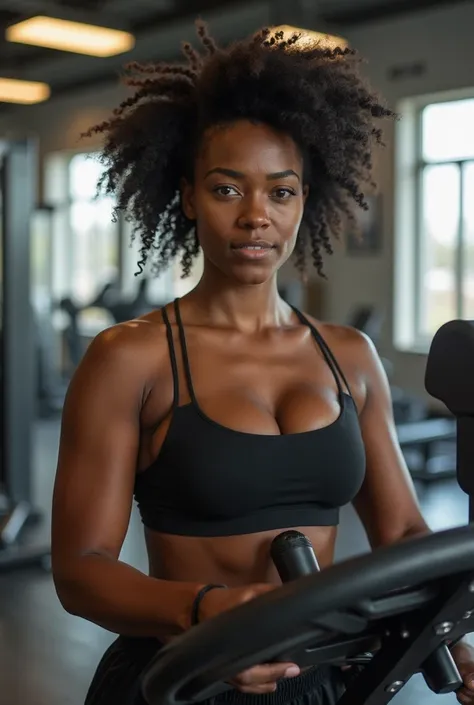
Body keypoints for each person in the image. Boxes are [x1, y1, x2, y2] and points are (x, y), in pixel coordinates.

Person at [51, 21, 474, 705]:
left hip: (325, 679)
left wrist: (450, 632)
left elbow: (401, 531)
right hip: (188, 672)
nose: (256, 216)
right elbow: (81, 569)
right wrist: (204, 612)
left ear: (305, 202)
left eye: (281, 191)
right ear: (189, 198)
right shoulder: (130, 356)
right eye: (227, 189)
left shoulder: (350, 356)